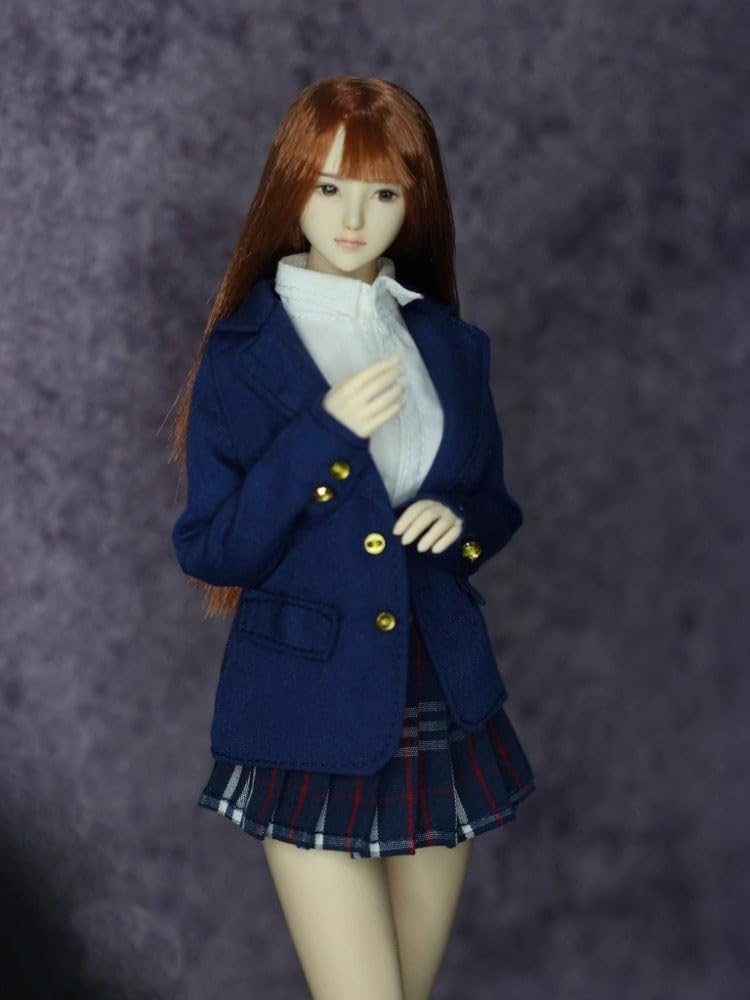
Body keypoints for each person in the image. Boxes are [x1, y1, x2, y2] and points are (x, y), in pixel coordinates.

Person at [169, 75, 535, 1000]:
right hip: (307, 703)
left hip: (441, 690)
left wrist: (459, 524)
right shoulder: (243, 354)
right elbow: (214, 547)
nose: (353, 218)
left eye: (383, 192)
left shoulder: (446, 344)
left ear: (415, 203)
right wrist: (324, 433)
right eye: (328, 186)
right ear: (289, 187)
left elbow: (493, 502)